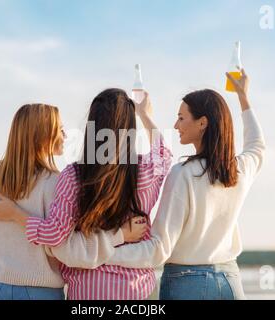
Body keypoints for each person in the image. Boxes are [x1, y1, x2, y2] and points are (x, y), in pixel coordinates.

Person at [0, 88, 173, 300]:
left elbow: (54, 235)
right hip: (135, 290)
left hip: (86, 291)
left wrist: (15, 214)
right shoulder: (145, 171)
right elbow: (164, 153)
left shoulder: (74, 176)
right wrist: (144, 114)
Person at [0, 101, 144, 300]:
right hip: (41, 293)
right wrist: (119, 235)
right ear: (43, 137)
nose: (65, 135)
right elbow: (71, 249)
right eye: (59, 129)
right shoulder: (59, 184)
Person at [103, 69, 266, 300]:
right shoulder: (239, 169)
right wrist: (243, 96)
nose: (176, 125)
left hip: (188, 284)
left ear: (202, 123)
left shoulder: (183, 175)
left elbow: (158, 250)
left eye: (181, 117)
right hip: (230, 282)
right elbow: (257, 145)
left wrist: (102, 252)